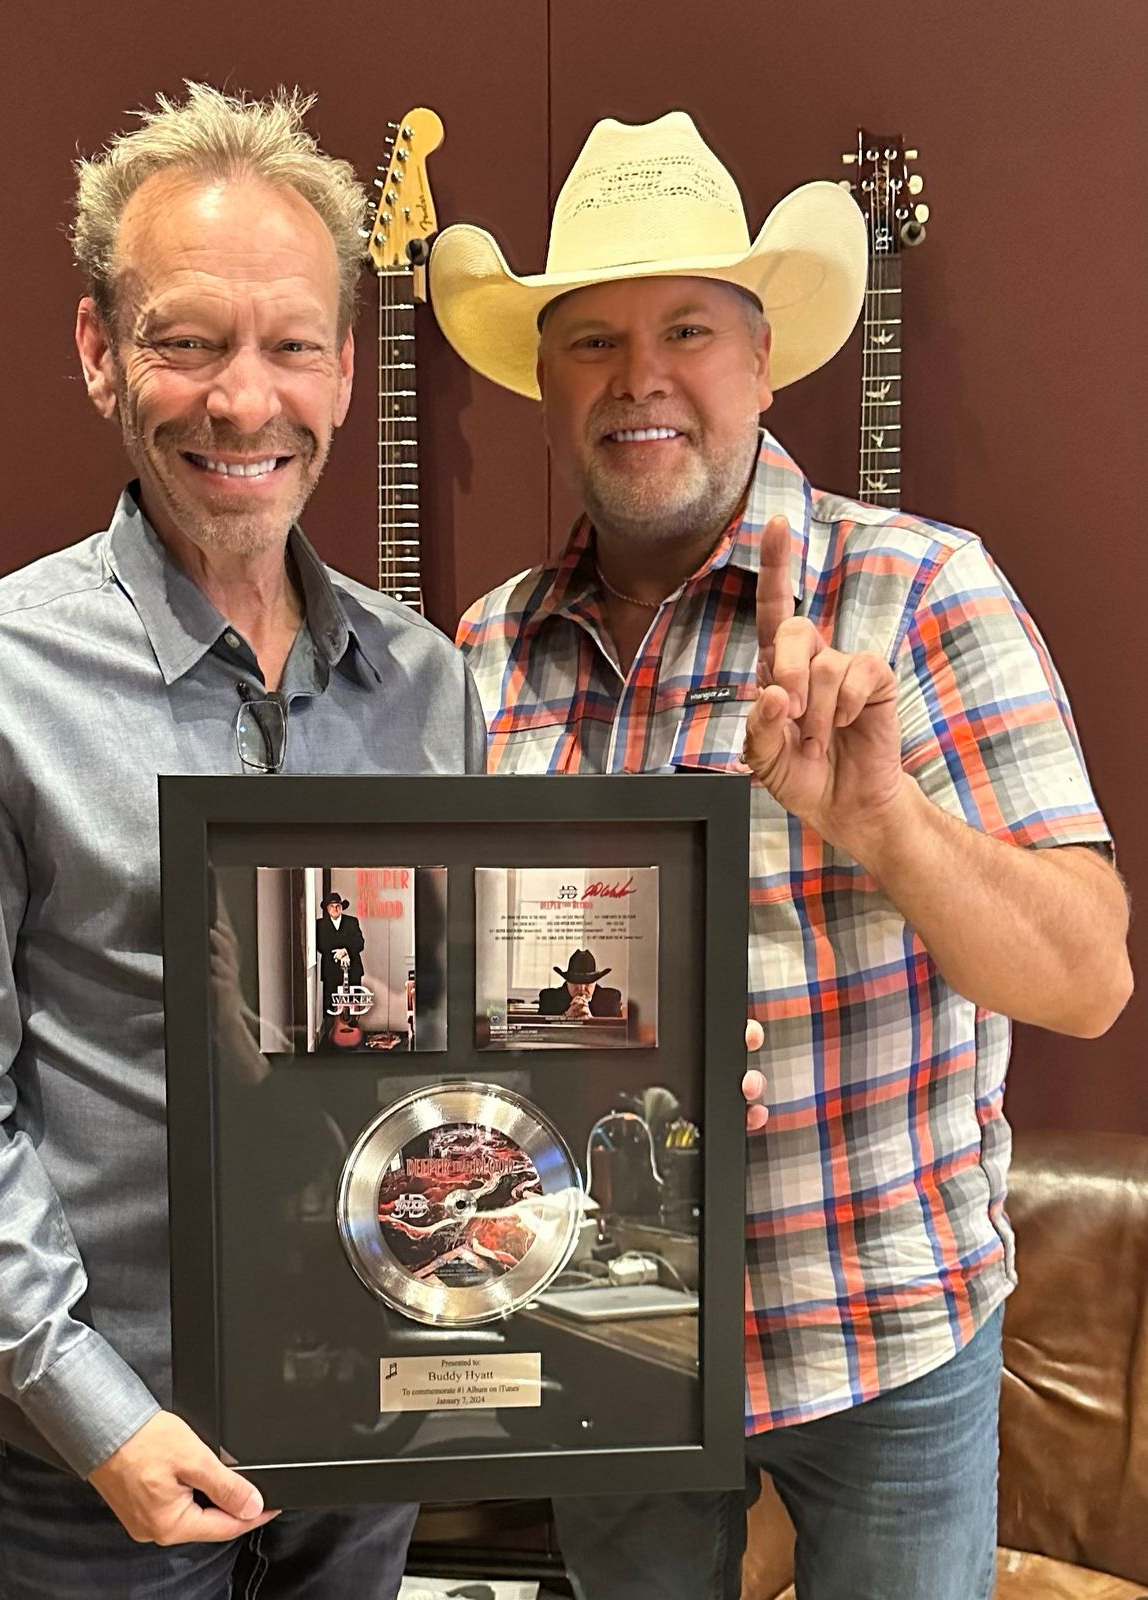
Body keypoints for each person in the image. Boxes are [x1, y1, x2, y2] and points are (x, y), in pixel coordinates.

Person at [430, 111, 1132, 1598]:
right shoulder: (486, 648)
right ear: (546, 387)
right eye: (591, 341)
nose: (639, 378)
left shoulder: (922, 591)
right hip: (608, 1343)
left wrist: (882, 821)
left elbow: (1085, 978)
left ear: (762, 361)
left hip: (880, 1334)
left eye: (686, 330)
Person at [0, 83, 485, 1599]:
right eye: (187, 340)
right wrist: (94, 1412)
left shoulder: (428, 685)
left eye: (291, 345)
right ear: (99, 352)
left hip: (369, 1424)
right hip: (100, 1470)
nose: (243, 402)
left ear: (346, 369)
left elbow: (451, 1041)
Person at [537, 949, 623, 1017]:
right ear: (567, 982)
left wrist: (591, 1020)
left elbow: (617, 1031)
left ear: (595, 982)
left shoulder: (610, 1000)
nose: (581, 988)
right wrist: (565, 1018)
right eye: (575, 982)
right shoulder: (550, 999)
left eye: (587, 982)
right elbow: (542, 1029)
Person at [316, 890, 366, 1006]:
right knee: (331, 1005)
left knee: (353, 1004)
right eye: (332, 906)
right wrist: (337, 954)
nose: (335, 909)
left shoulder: (352, 922)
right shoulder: (320, 925)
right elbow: (321, 945)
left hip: (353, 969)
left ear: (342, 907)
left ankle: (352, 1017)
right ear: (327, 909)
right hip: (330, 970)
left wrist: (345, 951)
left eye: (338, 906)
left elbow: (360, 943)